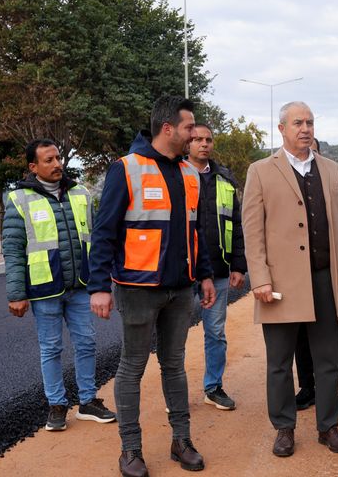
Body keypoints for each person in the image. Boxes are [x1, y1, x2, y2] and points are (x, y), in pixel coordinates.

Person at [88, 96, 216, 477]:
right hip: (137, 288)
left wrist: (205, 273)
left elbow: (197, 233)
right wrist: (98, 286)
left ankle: (182, 440)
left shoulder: (191, 174)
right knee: (132, 366)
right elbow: (104, 232)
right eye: (189, 127)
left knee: (175, 366)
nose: (195, 134)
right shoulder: (126, 169)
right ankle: (130, 450)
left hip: (180, 289)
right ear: (167, 129)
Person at [242, 101, 338, 457]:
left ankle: (328, 426)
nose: (305, 128)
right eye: (297, 123)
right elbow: (252, 231)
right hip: (279, 285)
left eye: (309, 122)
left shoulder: (332, 170)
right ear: (281, 129)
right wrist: (259, 278)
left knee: (328, 358)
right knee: (279, 362)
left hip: (325, 279)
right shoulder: (260, 171)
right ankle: (284, 428)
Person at [2, 139, 116, 433]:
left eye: (58, 159)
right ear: (33, 167)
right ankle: (56, 405)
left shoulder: (80, 193)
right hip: (44, 288)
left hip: (79, 285)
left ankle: (88, 401)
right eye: (49, 160)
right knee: (51, 348)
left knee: (87, 343)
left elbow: (95, 237)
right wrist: (16, 294)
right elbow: (13, 249)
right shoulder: (19, 199)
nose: (57, 164)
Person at [293, 138, 338, 416]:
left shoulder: (335, 184)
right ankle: (307, 387)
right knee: (300, 334)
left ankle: (332, 391)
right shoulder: (292, 186)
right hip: (296, 275)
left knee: (333, 335)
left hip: (328, 272)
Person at [186, 122, 247, 411]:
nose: (204, 144)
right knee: (175, 337)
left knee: (216, 332)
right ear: (187, 143)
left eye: (208, 139)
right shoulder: (174, 175)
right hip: (182, 272)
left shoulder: (225, 180)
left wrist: (239, 264)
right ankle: (175, 393)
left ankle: (213, 386)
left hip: (219, 270)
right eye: (197, 139)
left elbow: (236, 226)